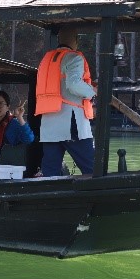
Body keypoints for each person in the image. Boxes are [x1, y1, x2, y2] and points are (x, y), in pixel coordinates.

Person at [35, 27, 96, 176]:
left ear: (58, 40)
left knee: (50, 173)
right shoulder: (74, 57)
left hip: (49, 123)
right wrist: (93, 92)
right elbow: (74, 84)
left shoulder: (46, 60)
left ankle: (49, 191)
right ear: (76, 40)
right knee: (93, 169)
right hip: (71, 122)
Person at [0, 90, 34, 164]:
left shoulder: (13, 123)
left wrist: (20, 117)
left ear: (8, 107)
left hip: (7, 167)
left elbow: (29, 139)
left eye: (1, 104)